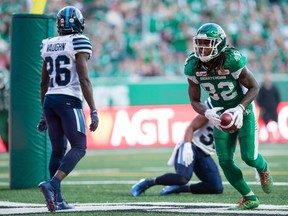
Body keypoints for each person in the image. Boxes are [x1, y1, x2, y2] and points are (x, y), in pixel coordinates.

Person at [184, 23, 273, 210]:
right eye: (199, 43)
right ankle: (249, 197)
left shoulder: (232, 60)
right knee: (224, 160)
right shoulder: (193, 65)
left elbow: (254, 87)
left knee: (249, 157)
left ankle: (263, 168)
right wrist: (207, 112)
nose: (202, 48)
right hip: (219, 113)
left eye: (207, 43)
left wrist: (240, 109)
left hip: (242, 110)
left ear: (219, 44)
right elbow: (194, 100)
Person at [37, 6, 99, 212]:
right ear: (79, 23)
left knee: (57, 150)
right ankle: (52, 186)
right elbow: (83, 78)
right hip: (68, 99)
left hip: (50, 100)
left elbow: (43, 84)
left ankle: (58, 200)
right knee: (79, 147)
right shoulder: (79, 41)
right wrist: (93, 109)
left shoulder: (48, 44)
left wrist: (43, 113)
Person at [130, 98, 223, 197]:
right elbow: (190, 127)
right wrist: (187, 146)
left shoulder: (236, 117)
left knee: (215, 187)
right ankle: (147, 182)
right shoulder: (214, 112)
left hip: (205, 152)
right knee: (182, 178)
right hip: (192, 145)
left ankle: (179, 188)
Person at [256, 72, 281, 142]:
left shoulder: (274, 87)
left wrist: (275, 105)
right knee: (265, 122)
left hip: (273, 109)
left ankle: (277, 137)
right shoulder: (262, 88)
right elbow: (258, 99)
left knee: (276, 122)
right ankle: (268, 137)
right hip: (265, 110)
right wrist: (262, 107)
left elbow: (278, 98)